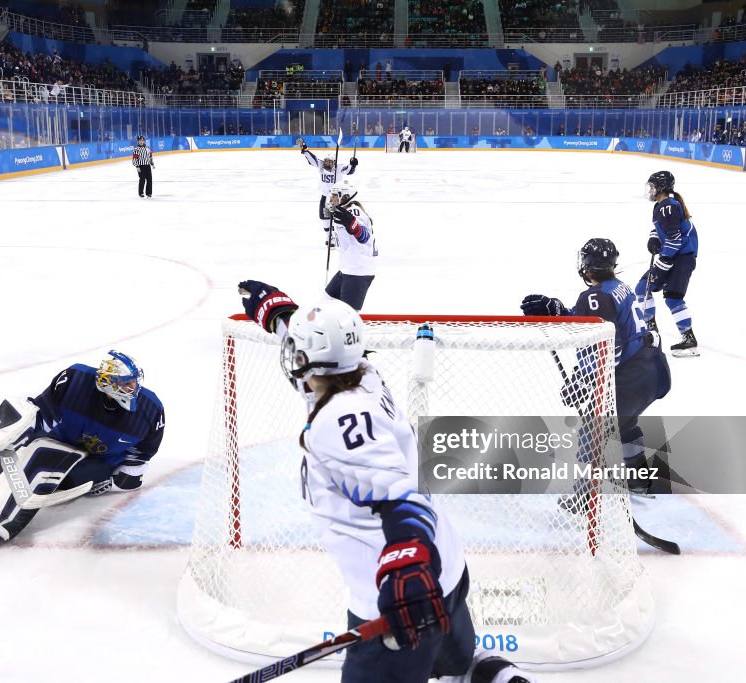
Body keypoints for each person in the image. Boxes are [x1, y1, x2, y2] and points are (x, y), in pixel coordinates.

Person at [236, 280, 532, 683]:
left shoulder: (338, 423)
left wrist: (406, 567)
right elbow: (318, 362)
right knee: (458, 663)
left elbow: (399, 499)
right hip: (442, 574)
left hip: (398, 597)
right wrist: (278, 316)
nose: (293, 358)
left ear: (312, 363)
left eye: (298, 351)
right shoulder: (361, 374)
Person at [0, 350, 165, 544]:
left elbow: (139, 458)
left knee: (49, 471)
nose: (133, 389)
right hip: (59, 443)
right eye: (126, 384)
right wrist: (12, 435)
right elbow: (40, 413)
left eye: (134, 382)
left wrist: (111, 482)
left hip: (96, 462)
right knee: (27, 455)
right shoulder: (75, 380)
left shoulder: (151, 410)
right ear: (107, 383)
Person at [521, 239, 671, 496]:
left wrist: (583, 379)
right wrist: (556, 310)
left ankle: (584, 494)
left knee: (591, 431)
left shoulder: (595, 296)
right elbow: (596, 322)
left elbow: (609, 348)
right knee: (624, 424)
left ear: (586, 265)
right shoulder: (618, 288)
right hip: (653, 370)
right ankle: (636, 480)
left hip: (634, 376)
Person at [635, 171, 699, 357]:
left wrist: (663, 263)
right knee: (642, 288)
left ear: (662, 188)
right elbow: (662, 229)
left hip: (681, 258)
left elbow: (674, 239)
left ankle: (688, 340)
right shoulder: (662, 205)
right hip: (674, 255)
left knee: (672, 297)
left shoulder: (668, 207)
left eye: (653, 186)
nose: (650, 190)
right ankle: (650, 331)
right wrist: (654, 238)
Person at [326, 183, 377, 310]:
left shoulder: (354, 211)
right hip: (346, 270)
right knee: (325, 305)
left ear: (344, 197)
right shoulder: (342, 211)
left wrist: (352, 224)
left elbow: (364, 237)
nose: (331, 199)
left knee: (347, 318)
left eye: (334, 196)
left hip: (357, 272)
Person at [299, 140, 357, 231]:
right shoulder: (321, 166)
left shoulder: (338, 168)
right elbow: (313, 159)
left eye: (330, 162)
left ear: (334, 162)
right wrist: (306, 151)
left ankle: (337, 234)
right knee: (324, 218)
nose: (327, 164)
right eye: (326, 161)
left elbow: (349, 170)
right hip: (325, 196)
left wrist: (352, 165)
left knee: (338, 217)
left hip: (336, 198)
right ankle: (328, 237)